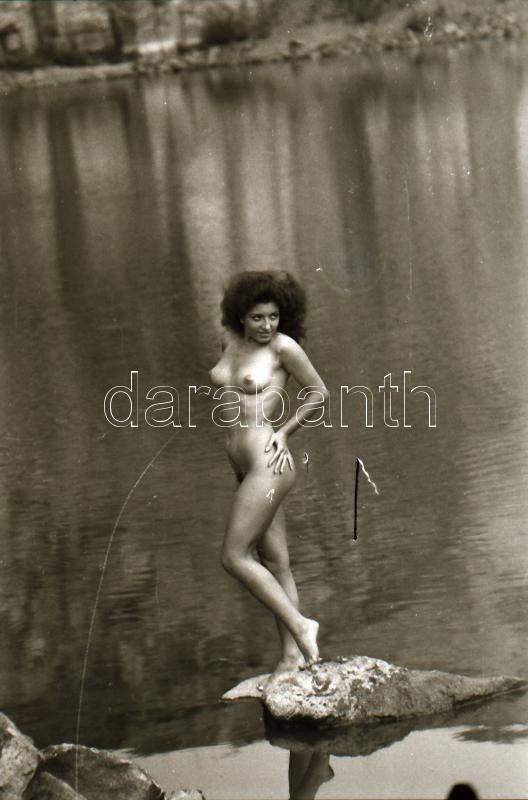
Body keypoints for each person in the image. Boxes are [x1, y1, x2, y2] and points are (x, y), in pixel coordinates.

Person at [209, 270, 329, 673]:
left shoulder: (284, 348)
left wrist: (284, 431)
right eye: (258, 317)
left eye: (274, 317)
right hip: (242, 465)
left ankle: (301, 625)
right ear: (241, 316)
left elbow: (319, 393)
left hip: (268, 463)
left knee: (233, 556)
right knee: (275, 562)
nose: (266, 326)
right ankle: (293, 658)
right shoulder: (229, 340)